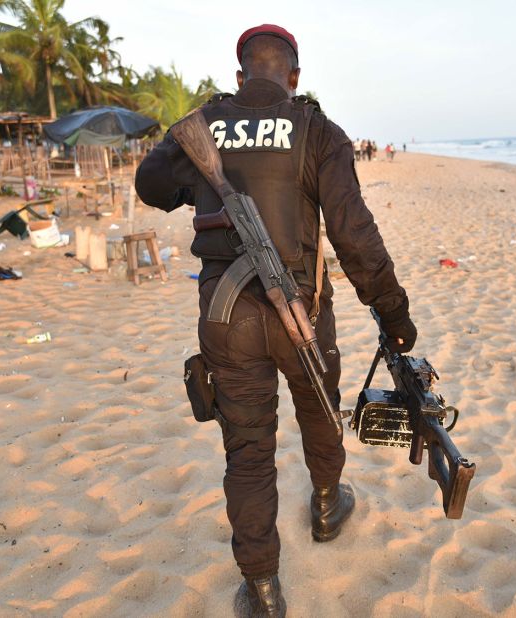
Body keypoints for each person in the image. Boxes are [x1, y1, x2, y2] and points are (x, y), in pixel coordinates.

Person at [135, 23, 417, 618]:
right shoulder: (317, 128)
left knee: (248, 452)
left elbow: (151, 185)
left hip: (225, 317)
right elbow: (353, 233)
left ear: (240, 78)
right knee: (320, 407)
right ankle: (324, 503)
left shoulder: (207, 122)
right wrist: (393, 310)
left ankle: (262, 587)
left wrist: (196, 177)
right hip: (305, 314)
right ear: (293, 78)